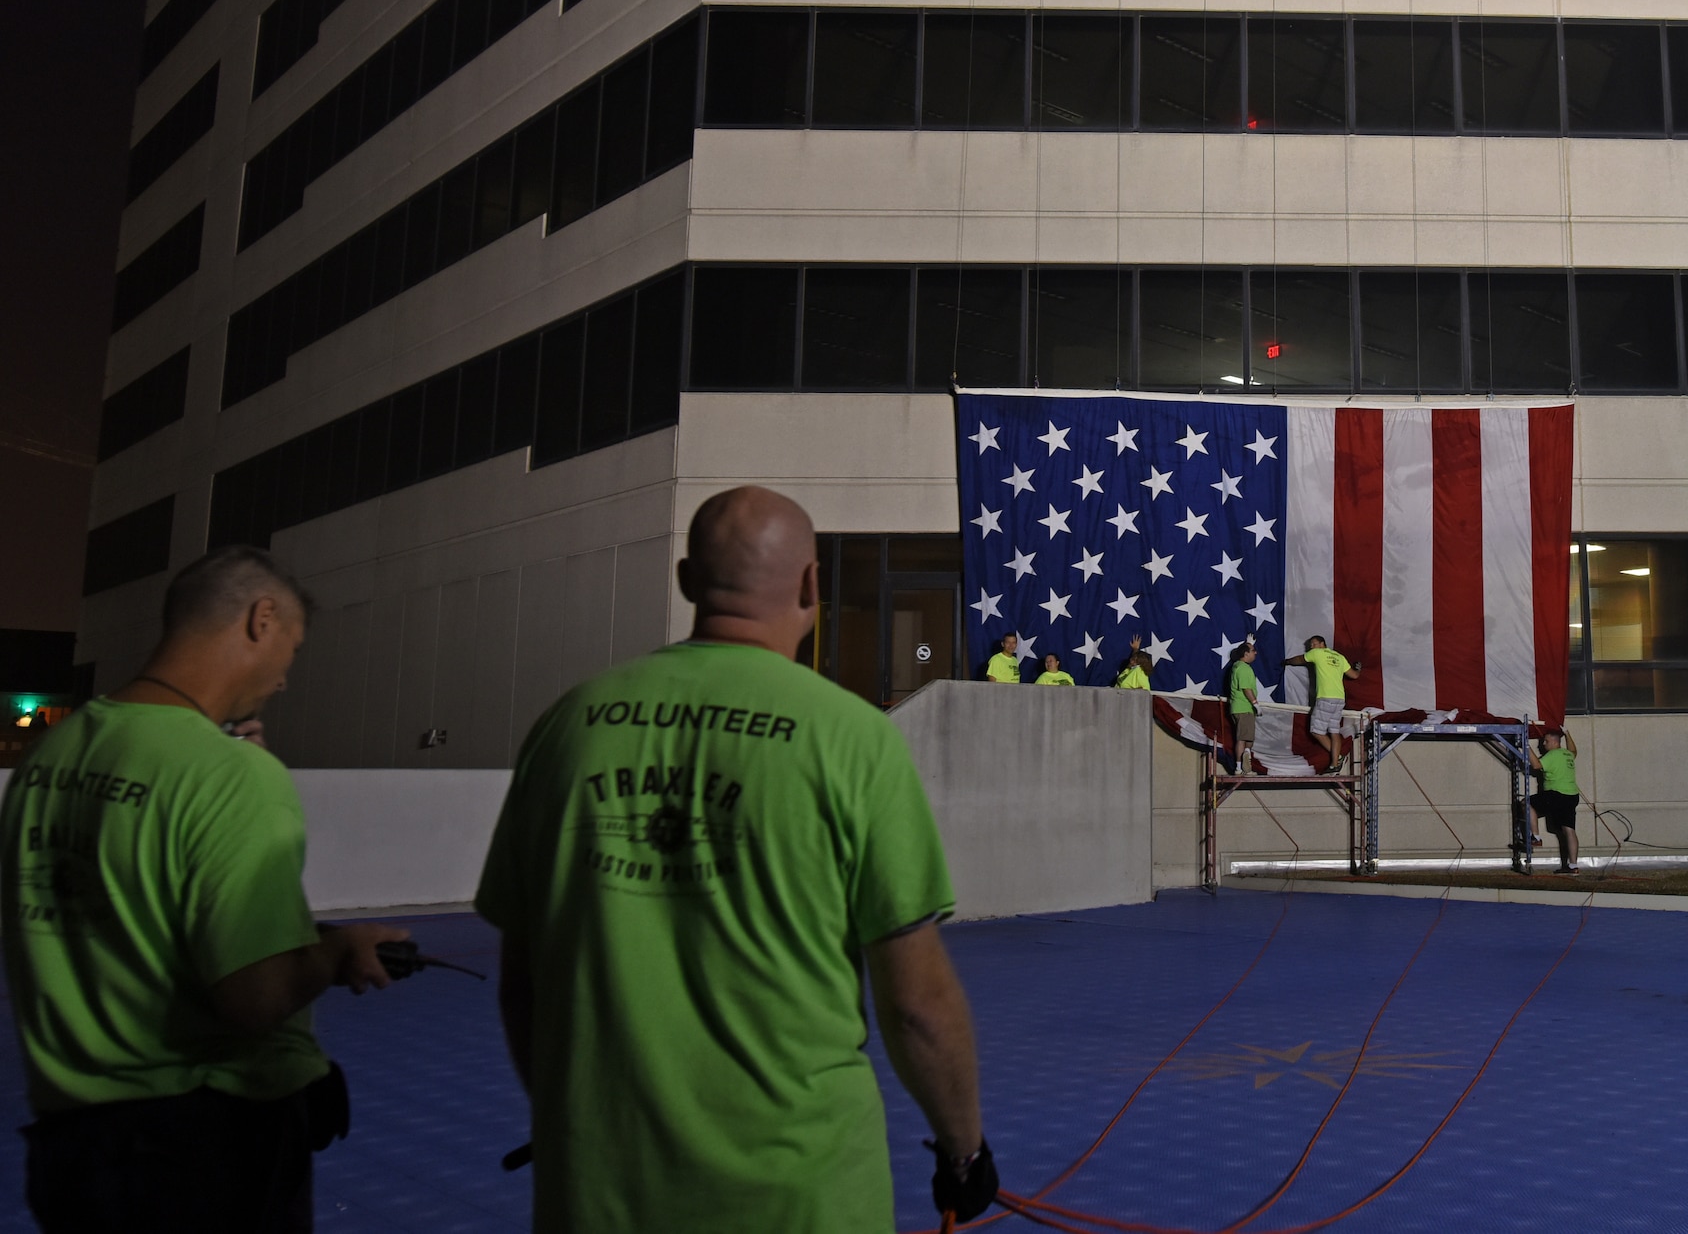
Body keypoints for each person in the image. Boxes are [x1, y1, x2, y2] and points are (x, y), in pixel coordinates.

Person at [476, 486, 994, 1232]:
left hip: (598, 1189)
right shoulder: (850, 739)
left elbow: (522, 984)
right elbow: (916, 1004)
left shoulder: (569, 727)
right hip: (800, 1193)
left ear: (687, 581)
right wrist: (963, 1152)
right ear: (813, 585)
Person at [0, 545, 406, 1234]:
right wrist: (339, 951)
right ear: (262, 619)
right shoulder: (232, 777)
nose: (283, 680)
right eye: (293, 649)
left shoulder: (50, 754)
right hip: (201, 1152)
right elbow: (251, 997)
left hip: (71, 1146)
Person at [1283, 636, 1360, 771]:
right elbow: (1354, 675)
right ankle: (1334, 764)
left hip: (1325, 698)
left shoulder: (1317, 653)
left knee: (1316, 731)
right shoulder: (1339, 657)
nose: (1311, 647)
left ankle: (1338, 757)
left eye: (1313, 644)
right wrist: (1359, 669)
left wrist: (1287, 661)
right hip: (1339, 699)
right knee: (1334, 731)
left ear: (1322, 644)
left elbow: (1299, 660)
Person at [1530, 728, 1582, 876]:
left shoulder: (1552, 755)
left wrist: (1526, 747)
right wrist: (1568, 733)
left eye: (1545, 741)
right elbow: (1574, 750)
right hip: (1571, 796)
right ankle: (1573, 866)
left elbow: (1536, 765)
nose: (1543, 745)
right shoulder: (1567, 755)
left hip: (1556, 794)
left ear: (1554, 742)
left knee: (1526, 803)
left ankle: (1535, 837)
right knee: (1569, 830)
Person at [1226, 640, 1260, 774]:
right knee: (1245, 739)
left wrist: (1248, 643)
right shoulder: (1244, 668)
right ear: (1246, 654)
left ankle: (1242, 765)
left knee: (1243, 737)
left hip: (1237, 707)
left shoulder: (1236, 666)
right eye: (1252, 650)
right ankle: (1242, 766)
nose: (1255, 652)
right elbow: (1246, 689)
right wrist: (1255, 704)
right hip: (1244, 708)